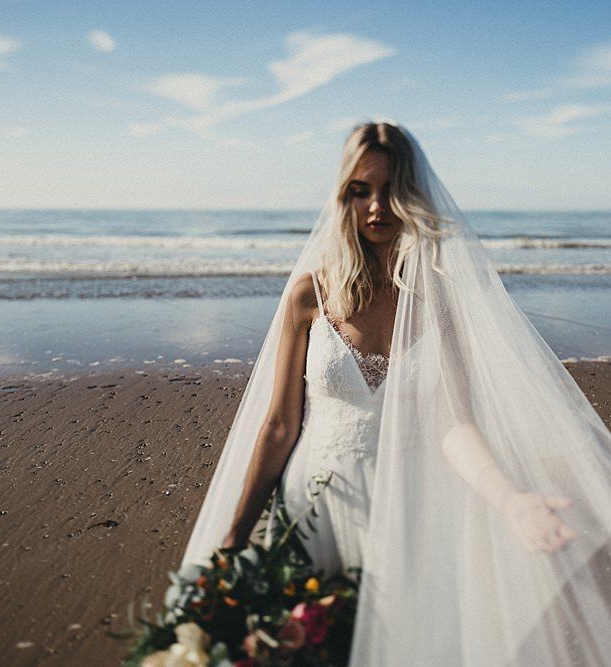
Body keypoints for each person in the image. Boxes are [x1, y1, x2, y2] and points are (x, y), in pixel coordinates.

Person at [180, 121, 611, 665]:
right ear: (343, 197)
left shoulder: (440, 300)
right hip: (315, 505)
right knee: (304, 645)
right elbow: (280, 426)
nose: (377, 207)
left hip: (409, 507)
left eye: (391, 191)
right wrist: (235, 535)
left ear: (414, 196)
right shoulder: (308, 295)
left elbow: (457, 425)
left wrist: (510, 500)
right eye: (361, 191)